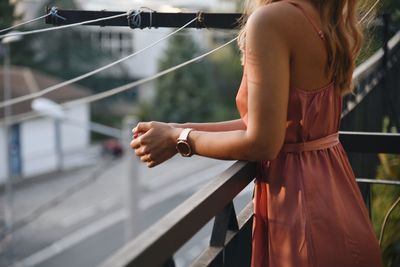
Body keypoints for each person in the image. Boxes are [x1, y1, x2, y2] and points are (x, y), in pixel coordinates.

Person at [130, 0, 383, 266]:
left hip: (301, 216)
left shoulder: (271, 20)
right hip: (338, 202)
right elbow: (269, 125)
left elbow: (263, 143)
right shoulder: (321, 15)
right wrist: (176, 131)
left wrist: (181, 140)